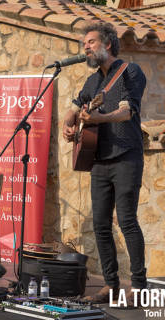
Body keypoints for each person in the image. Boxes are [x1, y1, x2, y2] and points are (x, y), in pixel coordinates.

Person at [62, 22, 147, 303]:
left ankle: (138, 286)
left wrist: (97, 118)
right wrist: (68, 125)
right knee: (100, 224)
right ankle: (111, 285)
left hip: (126, 157)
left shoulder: (130, 72)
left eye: (90, 42)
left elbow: (125, 113)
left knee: (126, 221)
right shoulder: (92, 81)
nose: (85, 47)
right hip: (99, 160)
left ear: (107, 44)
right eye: (84, 44)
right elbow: (73, 110)